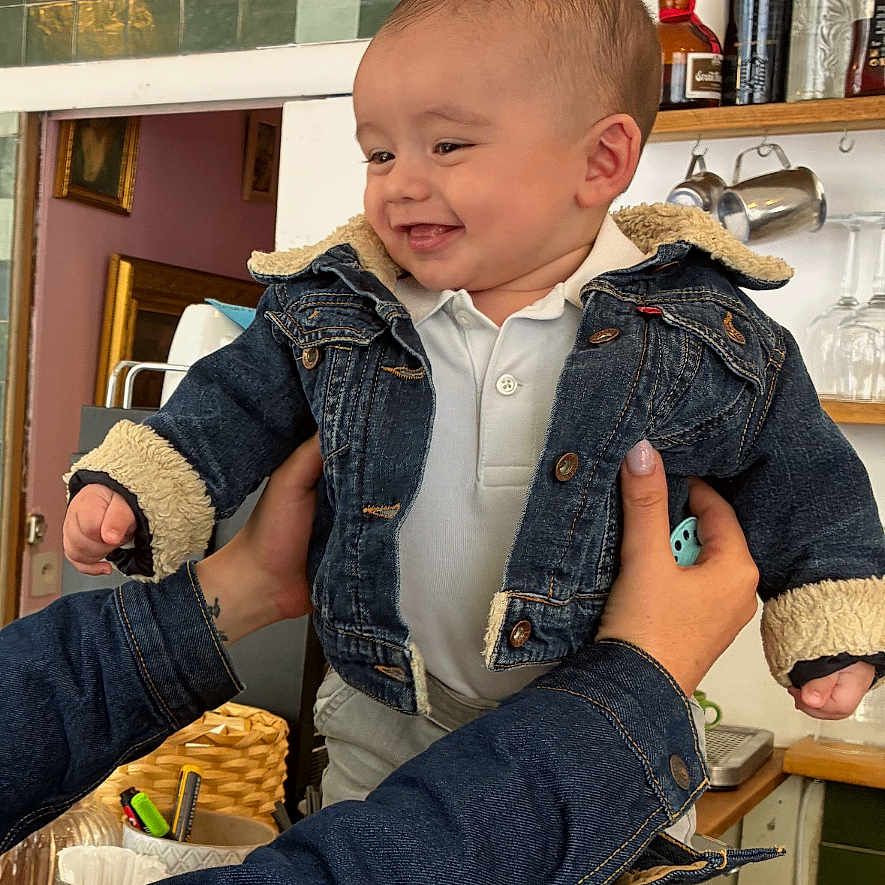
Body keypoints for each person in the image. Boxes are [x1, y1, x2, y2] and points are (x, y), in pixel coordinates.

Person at [64, 0, 883, 827]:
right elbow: (227, 404)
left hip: (609, 725)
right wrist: (137, 486)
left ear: (600, 160)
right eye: (378, 152)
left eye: (447, 145)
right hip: (388, 712)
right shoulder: (341, 305)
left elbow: (804, 478)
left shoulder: (701, 328)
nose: (400, 182)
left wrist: (830, 629)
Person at [3, 440, 781, 883]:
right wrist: (630, 692)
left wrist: (233, 589)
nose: (407, 187)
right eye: (379, 154)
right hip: (426, 734)